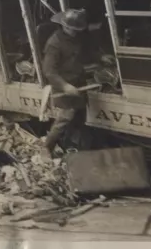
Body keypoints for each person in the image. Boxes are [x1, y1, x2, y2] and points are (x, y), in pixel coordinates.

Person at [40, 9, 110, 160]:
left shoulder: (76, 37)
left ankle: (80, 149)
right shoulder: (54, 43)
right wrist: (65, 86)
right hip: (64, 86)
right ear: (65, 27)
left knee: (80, 119)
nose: (75, 33)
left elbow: (87, 51)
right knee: (65, 118)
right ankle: (46, 147)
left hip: (78, 82)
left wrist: (101, 57)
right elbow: (49, 72)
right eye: (72, 30)